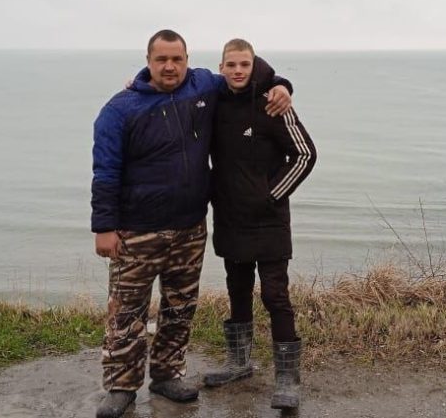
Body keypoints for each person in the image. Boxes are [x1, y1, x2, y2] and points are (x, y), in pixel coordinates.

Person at [90, 29, 292, 418]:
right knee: (127, 312)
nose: (170, 66)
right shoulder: (120, 109)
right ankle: (121, 387)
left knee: (180, 307)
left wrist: (282, 84)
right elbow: (106, 171)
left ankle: (167, 374)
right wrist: (104, 227)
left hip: (189, 228)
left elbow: (245, 73)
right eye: (161, 59)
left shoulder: (201, 86)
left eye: (177, 59)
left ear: (188, 60)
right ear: (148, 62)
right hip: (137, 230)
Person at [202, 39, 316, 410]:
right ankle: (239, 363)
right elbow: (180, 87)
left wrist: (271, 195)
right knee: (237, 290)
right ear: (221, 67)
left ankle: (287, 379)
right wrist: (136, 83)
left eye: (244, 64)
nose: (238, 70)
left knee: (274, 295)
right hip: (230, 217)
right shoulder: (214, 102)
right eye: (231, 64)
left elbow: (305, 154)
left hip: (269, 221)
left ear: (253, 65)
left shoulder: (273, 102)